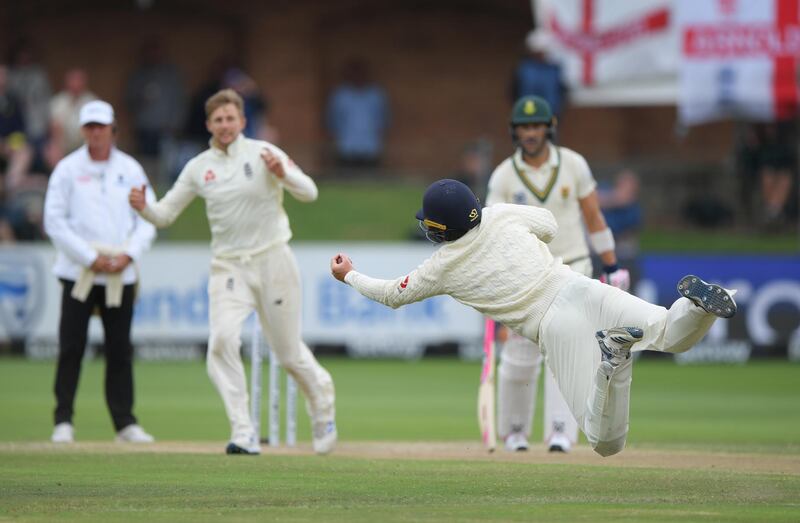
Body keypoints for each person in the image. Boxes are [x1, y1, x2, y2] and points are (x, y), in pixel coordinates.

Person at [330, 179, 736, 458]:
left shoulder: (442, 267)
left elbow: (390, 295)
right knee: (670, 331)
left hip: (553, 324)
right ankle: (698, 306)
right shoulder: (499, 214)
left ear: (440, 229)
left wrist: (349, 274)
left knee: (604, 441)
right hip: (580, 285)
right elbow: (549, 223)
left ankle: (614, 360)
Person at [128, 89, 337, 455]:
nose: (225, 126)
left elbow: (311, 192)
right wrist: (144, 208)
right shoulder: (198, 167)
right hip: (228, 266)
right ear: (209, 124)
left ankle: (322, 406)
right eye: (218, 120)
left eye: (231, 119)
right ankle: (244, 431)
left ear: (242, 121)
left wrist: (283, 173)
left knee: (287, 354)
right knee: (222, 341)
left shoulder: (264, 154)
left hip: (273, 259)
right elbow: (165, 214)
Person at [485, 95, 630, 453]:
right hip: (524, 276)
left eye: (536, 126)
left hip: (573, 268)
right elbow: (490, 232)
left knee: (565, 353)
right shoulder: (504, 175)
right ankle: (515, 431)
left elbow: (594, 218)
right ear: (514, 132)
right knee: (519, 355)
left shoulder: (574, 165)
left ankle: (561, 430)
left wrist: (611, 264)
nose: (530, 133)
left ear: (549, 127)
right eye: (523, 127)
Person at [43, 100, 157, 444]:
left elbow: (148, 217)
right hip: (79, 271)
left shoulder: (131, 168)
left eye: (101, 127)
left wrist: (128, 255)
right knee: (71, 346)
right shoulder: (66, 168)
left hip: (120, 271)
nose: (95, 133)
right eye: (89, 127)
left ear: (113, 130)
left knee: (119, 348)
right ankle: (63, 420)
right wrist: (87, 256)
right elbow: (54, 220)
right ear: (82, 131)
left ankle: (125, 423)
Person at [325, 58, 390, 168]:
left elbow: (383, 118)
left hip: (370, 147)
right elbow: (332, 120)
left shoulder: (375, 94)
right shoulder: (340, 95)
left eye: (360, 72)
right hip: (346, 147)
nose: (357, 75)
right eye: (354, 72)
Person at [47, 68, 97, 167]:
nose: (76, 84)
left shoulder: (92, 101)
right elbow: (55, 127)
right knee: (52, 151)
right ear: (67, 83)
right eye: (73, 80)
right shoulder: (58, 101)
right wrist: (56, 147)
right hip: (64, 145)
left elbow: (95, 128)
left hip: (86, 144)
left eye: (79, 80)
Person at [511, 30, 566, 118]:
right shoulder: (524, 69)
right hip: (528, 115)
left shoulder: (554, 70)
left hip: (551, 114)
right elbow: (514, 92)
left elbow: (561, 92)